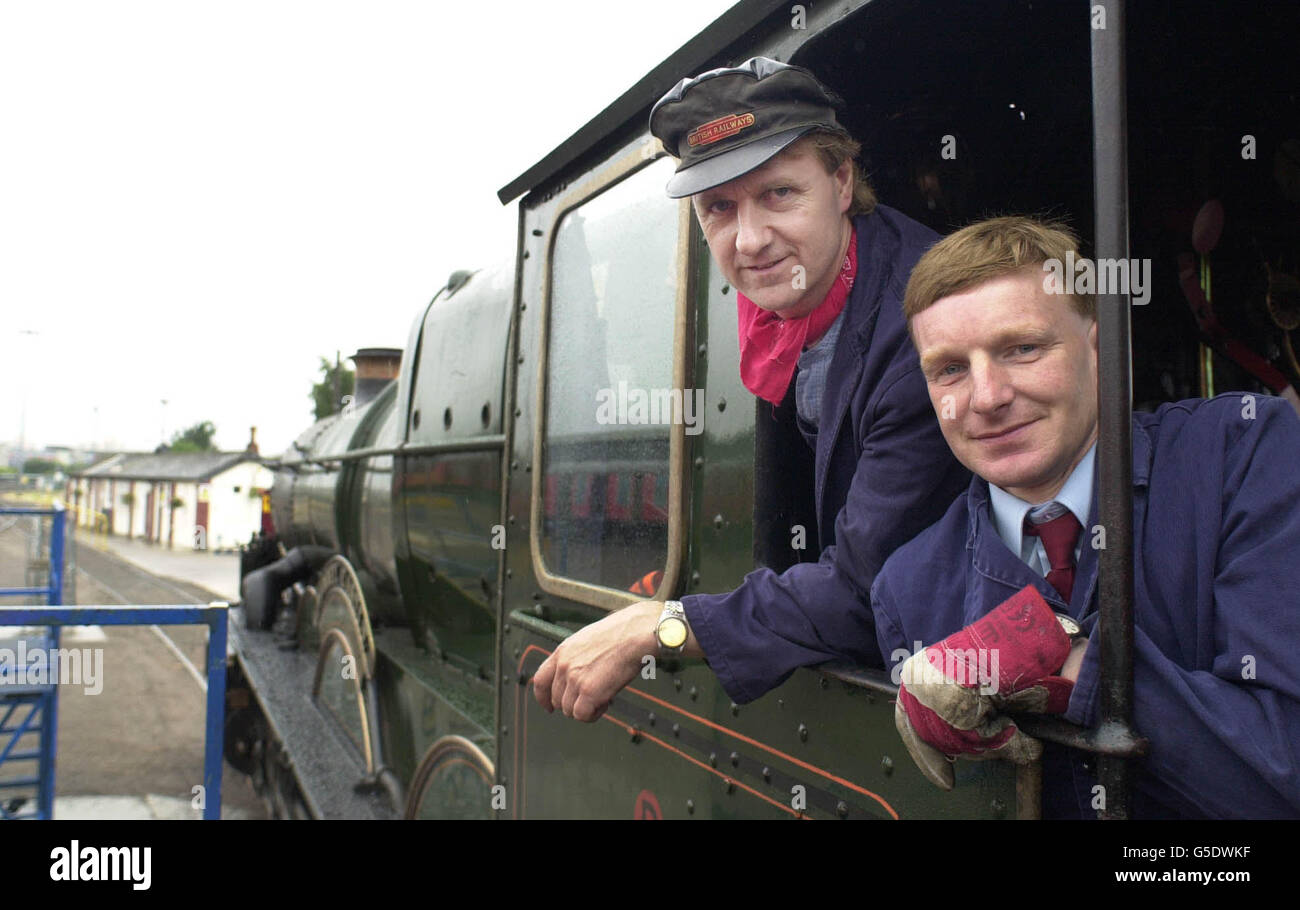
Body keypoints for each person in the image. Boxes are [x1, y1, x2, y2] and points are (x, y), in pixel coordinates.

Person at [533, 57, 970, 721]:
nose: (751, 240)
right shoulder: (784, 309)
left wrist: (660, 625)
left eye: (778, 194)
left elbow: (866, 590)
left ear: (842, 181)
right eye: (719, 208)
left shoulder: (924, 334)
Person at [875, 216, 1300, 818]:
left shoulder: (1243, 457)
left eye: (1022, 348)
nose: (988, 396)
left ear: (1101, 351)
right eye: (950, 368)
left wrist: (1070, 666)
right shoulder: (906, 588)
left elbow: (1285, 774)